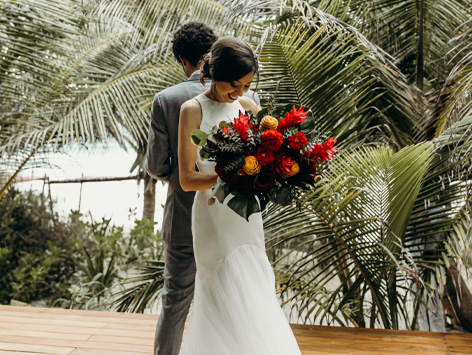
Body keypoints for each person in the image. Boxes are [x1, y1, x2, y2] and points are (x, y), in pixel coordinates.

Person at [177, 37, 301, 354]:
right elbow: (188, 179)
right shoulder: (192, 110)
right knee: (221, 293)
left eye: (246, 85)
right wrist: (231, 175)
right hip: (212, 219)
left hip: (246, 217)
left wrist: (280, 168)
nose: (240, 93)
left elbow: (269, 154)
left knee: (254, 286)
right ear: (215, 73)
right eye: (235, 84)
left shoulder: (246, 107)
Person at [145, 24, 259, 355]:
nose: (239, 90)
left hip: (185, 216)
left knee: (176, 300)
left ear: (183, 59)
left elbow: (155, 167)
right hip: (239, 217)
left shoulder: (165, 99)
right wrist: (222, 175)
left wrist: (194, 174)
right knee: (240, 298)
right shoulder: (244, 97)